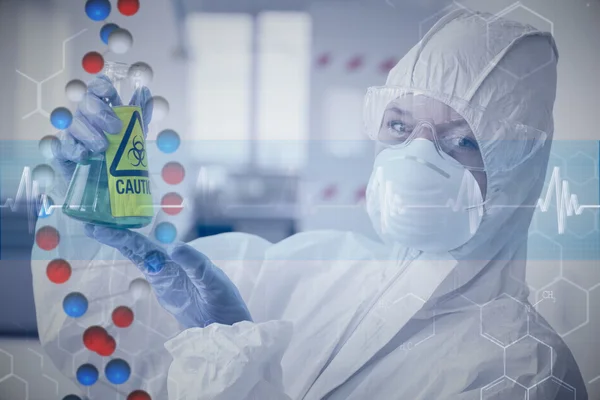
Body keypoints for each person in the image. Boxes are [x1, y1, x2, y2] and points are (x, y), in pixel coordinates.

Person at [32, 8, 588, 400]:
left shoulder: (524, 372)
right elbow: (102, 357)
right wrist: (84, 215)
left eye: (462, 139)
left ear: (519, 170)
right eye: (400, 125)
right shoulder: (314, 267)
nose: (418, 157)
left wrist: (235, 363)